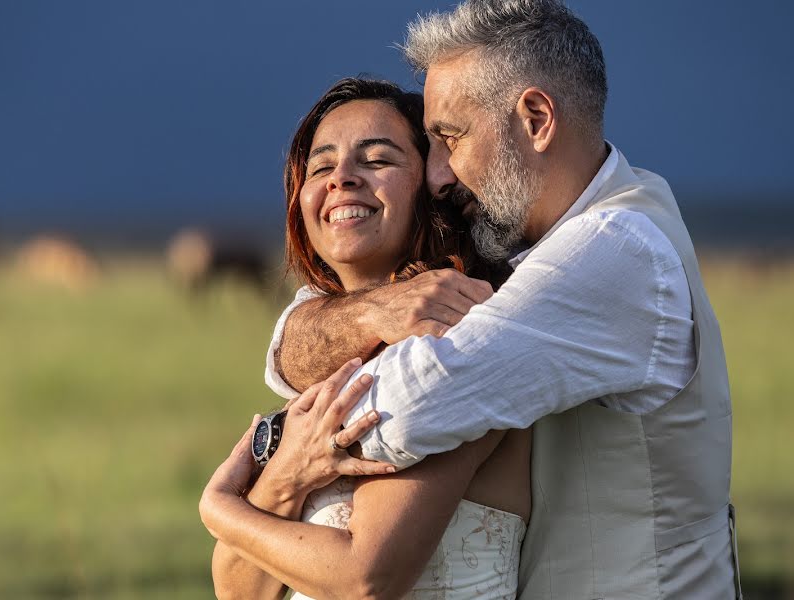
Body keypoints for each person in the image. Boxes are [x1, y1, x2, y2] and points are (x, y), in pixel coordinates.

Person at [264, 1, 741, 598]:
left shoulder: (614, 251)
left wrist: (278, 450)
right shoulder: (567, 242)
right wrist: (366, 313)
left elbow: (414, 400)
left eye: (451, 138)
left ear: (537, 119)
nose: (438, 176)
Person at [200, 78, 531, 599]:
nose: (342, 179)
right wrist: (288, 476)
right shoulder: (330, 359)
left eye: (376, 159)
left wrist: (220, 507)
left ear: (434, 183)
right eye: (321, 166)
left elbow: (366, 580)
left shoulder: (460, 345)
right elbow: (240, 589)